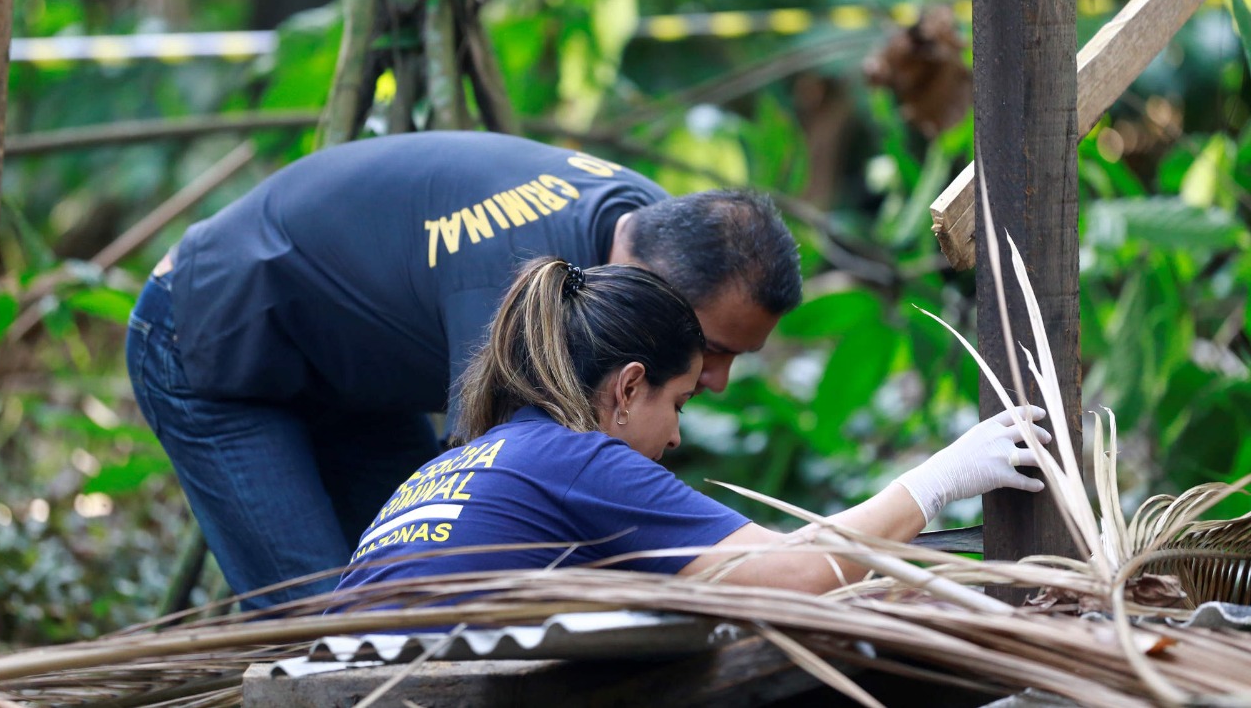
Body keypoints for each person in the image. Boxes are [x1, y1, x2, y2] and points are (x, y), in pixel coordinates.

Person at [125, 131, 802, 609]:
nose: (716, 378)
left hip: (355, 378)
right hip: (210, 333)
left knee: (408, 597)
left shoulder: (648, 231)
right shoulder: (516, 279)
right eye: (714, 348)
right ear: (657, 288)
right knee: (325, 639)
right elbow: (511, 497)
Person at [333, 258, 1050, 601]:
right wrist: (944, 477)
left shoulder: (453, 465)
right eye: (677, 402)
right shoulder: (580, 459)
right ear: (628, 387)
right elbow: (798, 573)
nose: (675, 436)